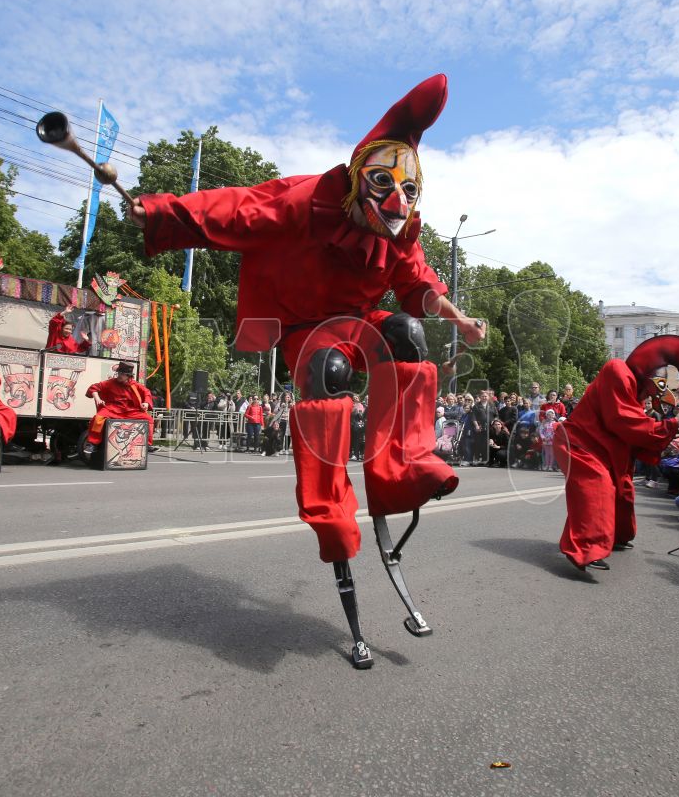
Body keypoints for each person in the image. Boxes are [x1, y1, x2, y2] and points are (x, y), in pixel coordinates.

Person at [128, 74, 485, 668]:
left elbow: (417, 282)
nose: (398, 204)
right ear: (357, 177)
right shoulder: (307, 199)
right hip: (307, 329)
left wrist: (459, 316)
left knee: (410, 333)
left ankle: (402, 464)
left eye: (409, 193)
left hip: (364, 319)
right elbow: (237, 210)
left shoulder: (403, 233)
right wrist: (164, 214)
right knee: (326, 372)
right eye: (383, 185)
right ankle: (333, 512)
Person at [554, 336, 679, 572]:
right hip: (579, 442)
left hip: (604, 447)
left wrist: (669, 430)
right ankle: (587, 548)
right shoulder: (618, 370)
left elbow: (633, 424)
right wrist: (672, 425)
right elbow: (624, 421)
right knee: (597, 487)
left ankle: (617, 535)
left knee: (622, 488)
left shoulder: (637, 389)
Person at [84, 362, 155, 454]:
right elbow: (93, 388)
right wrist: (97, 398)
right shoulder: (110, 382)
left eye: (123, 374)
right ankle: (92, 444)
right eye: (119, 373)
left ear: (128, 376)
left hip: (130, 410)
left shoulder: (134, 385)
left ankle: (148, 445)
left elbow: (147, 392)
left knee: (148, 419)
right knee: (98, 418)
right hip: (112, 408)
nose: (120, 376)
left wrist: (146, 403)